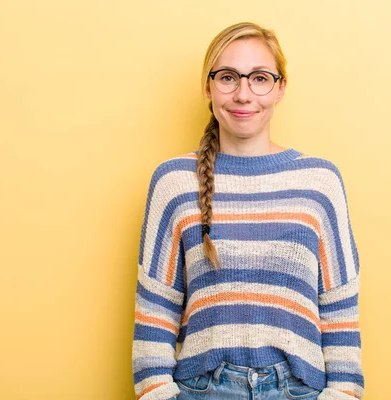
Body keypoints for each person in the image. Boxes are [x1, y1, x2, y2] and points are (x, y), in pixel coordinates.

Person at [132, 22, 364, 400]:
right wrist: (158, 393)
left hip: (299, 390)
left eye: (259, 78)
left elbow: (340, 307)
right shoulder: (174, 182)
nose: (243, 94)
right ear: (208, 87)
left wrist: (343, 394)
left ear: (280, 88)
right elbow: (155, 311)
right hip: (202, 390)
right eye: (228, 77)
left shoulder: (319, 182)